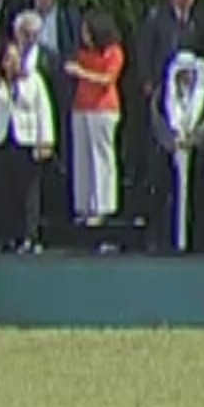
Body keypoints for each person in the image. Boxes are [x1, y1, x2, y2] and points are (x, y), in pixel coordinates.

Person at [0, 26, 58, 255]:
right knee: (3, 191)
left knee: (28, 191)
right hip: (0, 141)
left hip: (26, 140)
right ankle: (4, 236)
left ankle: (29, 236)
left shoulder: (33, 80)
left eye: (16, 58)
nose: (13, 63)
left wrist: (45, 140)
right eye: (8, 59)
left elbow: (43, 110)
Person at [65, 13, 128, 246]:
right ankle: (83, 205)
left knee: (101, 157)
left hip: (103, 109)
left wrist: (81, 72)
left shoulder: (114, 52)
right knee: (82, 158)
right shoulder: (83, 53)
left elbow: (107, 79)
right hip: (81, 108)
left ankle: (103, 206)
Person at [155, 51, 204, 253]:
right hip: (171, 151)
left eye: (190, 72)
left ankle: (199, 242)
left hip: (201, 153)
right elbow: (157, 119)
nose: (187, 76)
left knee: (200, 198)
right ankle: (170, 241)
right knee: (169, 197)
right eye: (183, 72)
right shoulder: (165, 91)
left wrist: (194, 138)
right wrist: (171, 140)